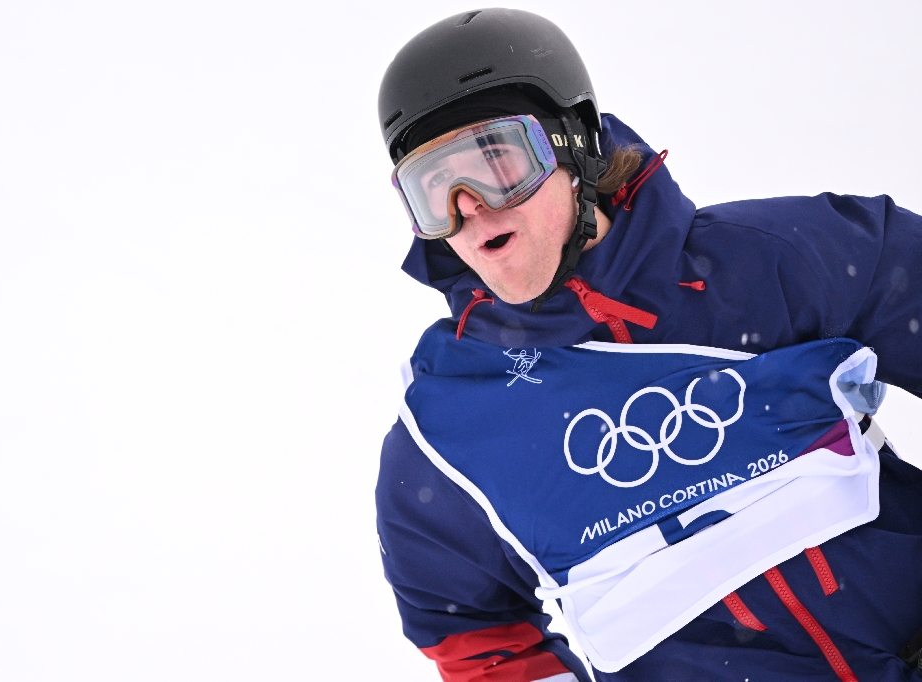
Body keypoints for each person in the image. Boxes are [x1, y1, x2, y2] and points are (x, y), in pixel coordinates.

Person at [375, 8, 922, 682]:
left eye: (496, 161)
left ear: (573, 146)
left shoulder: (774, 263)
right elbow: (473, 637)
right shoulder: (447, 431)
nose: (470, 205)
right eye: (435, 188)